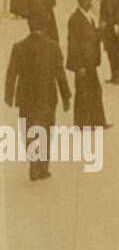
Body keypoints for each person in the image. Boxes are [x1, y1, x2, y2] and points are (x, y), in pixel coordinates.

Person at [5, 12, 72, 181]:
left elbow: (11, 73)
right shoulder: (53, 46)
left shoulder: (18, 47)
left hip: (26, 96)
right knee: (46, 130)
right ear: (45, 26)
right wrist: (66, 96)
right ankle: (42, 166)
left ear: (29, 26)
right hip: (47, 96)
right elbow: (60, 74)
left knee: (29, 129)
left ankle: (34, 163)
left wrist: (9, 95)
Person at [66, 0, 108, 128]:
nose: (90, 2)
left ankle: (96, 121)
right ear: (80, 1)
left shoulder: (88, 16)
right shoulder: (75, 19)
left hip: (90, 60)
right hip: (83, 62)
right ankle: (82, 123)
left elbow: (91, 36)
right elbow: (73, 44)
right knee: (83, 92)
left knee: (94, 90)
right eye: (88, 0)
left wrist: (99, 31)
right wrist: (79, 66)